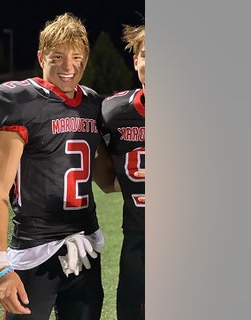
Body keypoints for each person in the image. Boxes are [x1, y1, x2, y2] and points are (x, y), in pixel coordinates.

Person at [0, 12, 111, 320]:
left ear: (86, 59)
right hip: (33, 254)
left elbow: (108, 180)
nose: (69, 67)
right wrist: (1, 267)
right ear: (41, 57)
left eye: (77, 57)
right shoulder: (20, 102)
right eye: (58, 57)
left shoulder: (92, 104)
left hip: (85, 251)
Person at [100, 22, 146, 320]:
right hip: (138, 240)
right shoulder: (113, 112)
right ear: (136, 60)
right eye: (147, 54)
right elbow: (107, 182)